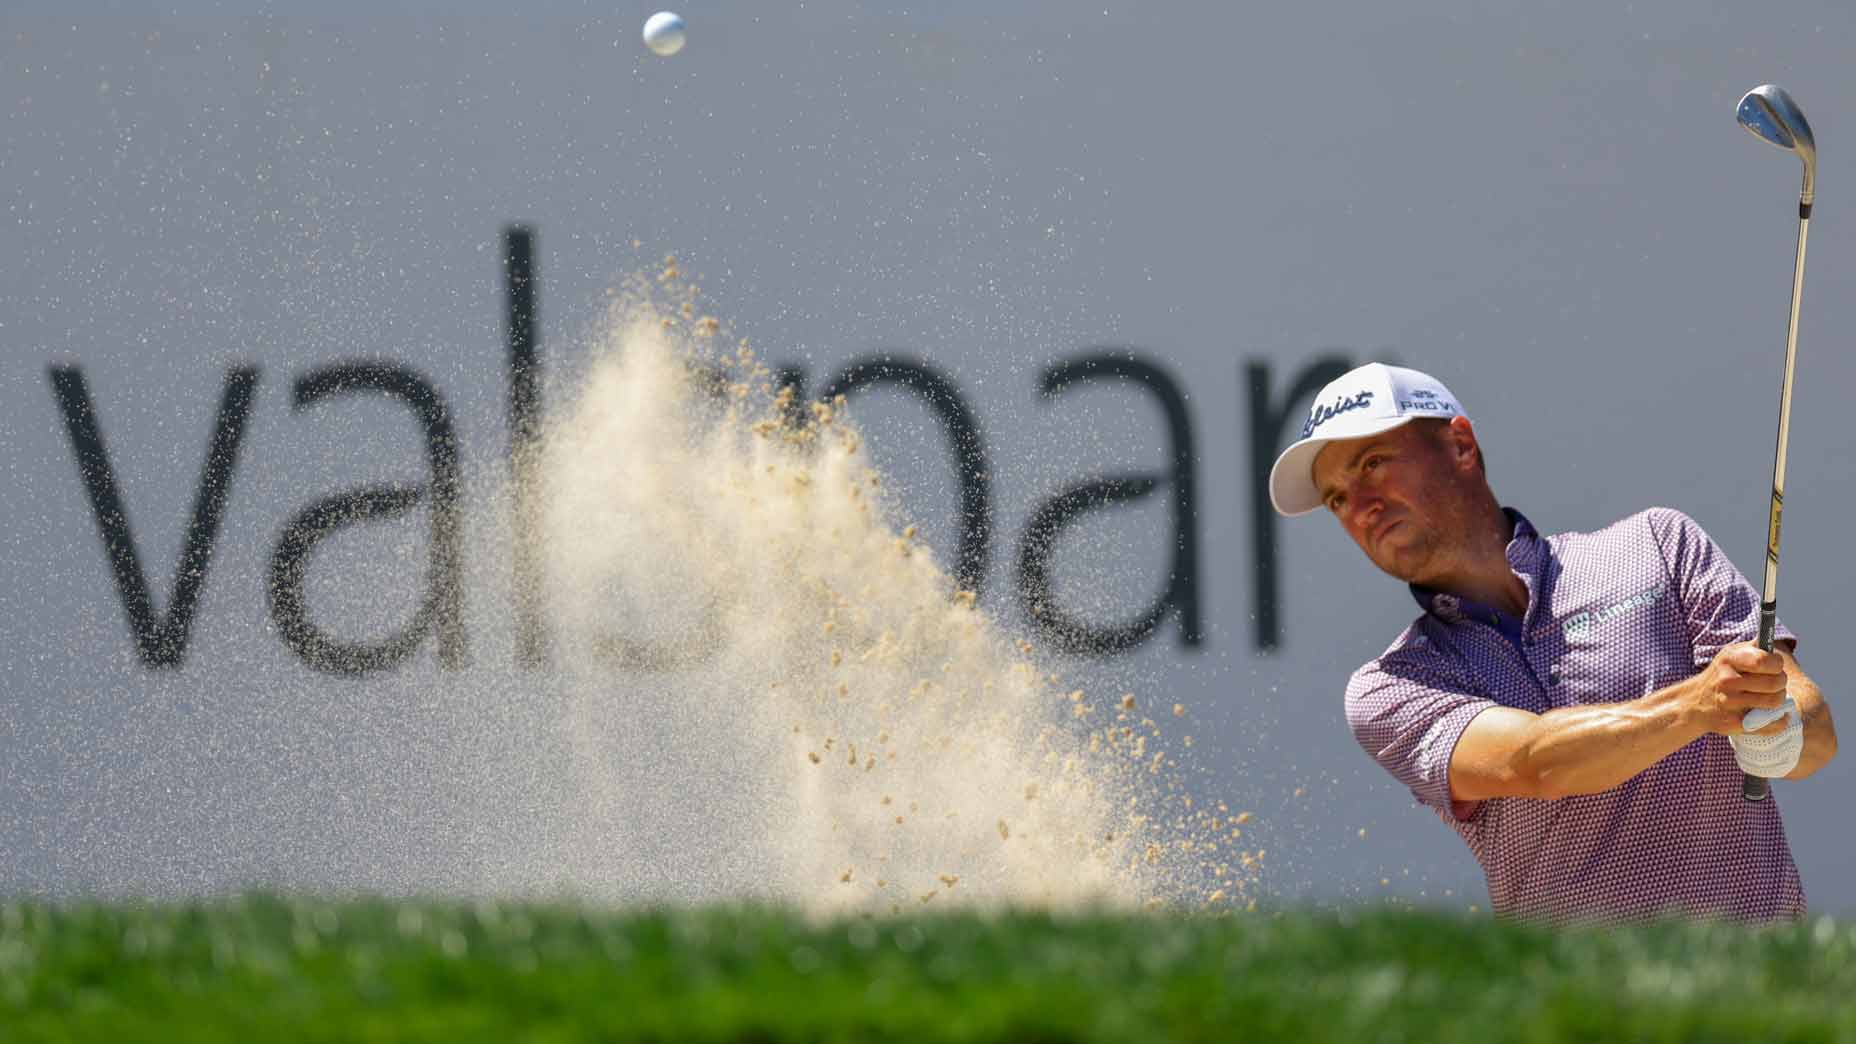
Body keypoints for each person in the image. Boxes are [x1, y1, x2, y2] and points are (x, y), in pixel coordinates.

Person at [1269, 362, 1837, 923]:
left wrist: (1774, 733)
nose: (1361, 507)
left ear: (1460, 446)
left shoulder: (1658, 545)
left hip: (1760, 988)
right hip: (1576, 1008)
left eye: (1373, 464)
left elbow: (1816, 734)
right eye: (1338, 498)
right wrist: (1700, 706)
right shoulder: (1391, 685)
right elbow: (1535, 763)